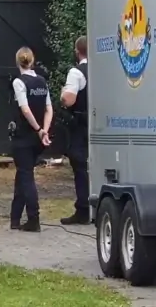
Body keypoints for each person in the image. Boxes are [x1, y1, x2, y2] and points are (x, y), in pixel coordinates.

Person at [10, 47, 53, 232]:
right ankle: (15, 217)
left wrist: (37, 129)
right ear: (33, 61)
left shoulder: (19, 82)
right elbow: (49, 109)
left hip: (24, 136)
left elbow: (25, 109)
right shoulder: (42, 81)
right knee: (23, 173)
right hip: (37, 138)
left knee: (26, 176)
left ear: (18, 62)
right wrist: (45, 131)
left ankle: (34, 218)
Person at [60, 35, 90, 225]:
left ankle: (83, 209)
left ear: (77, 51)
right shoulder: (104, 68)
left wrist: (63, 95)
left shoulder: (76, 72)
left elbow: (69, 99)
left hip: (82, 123)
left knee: (80, 165)